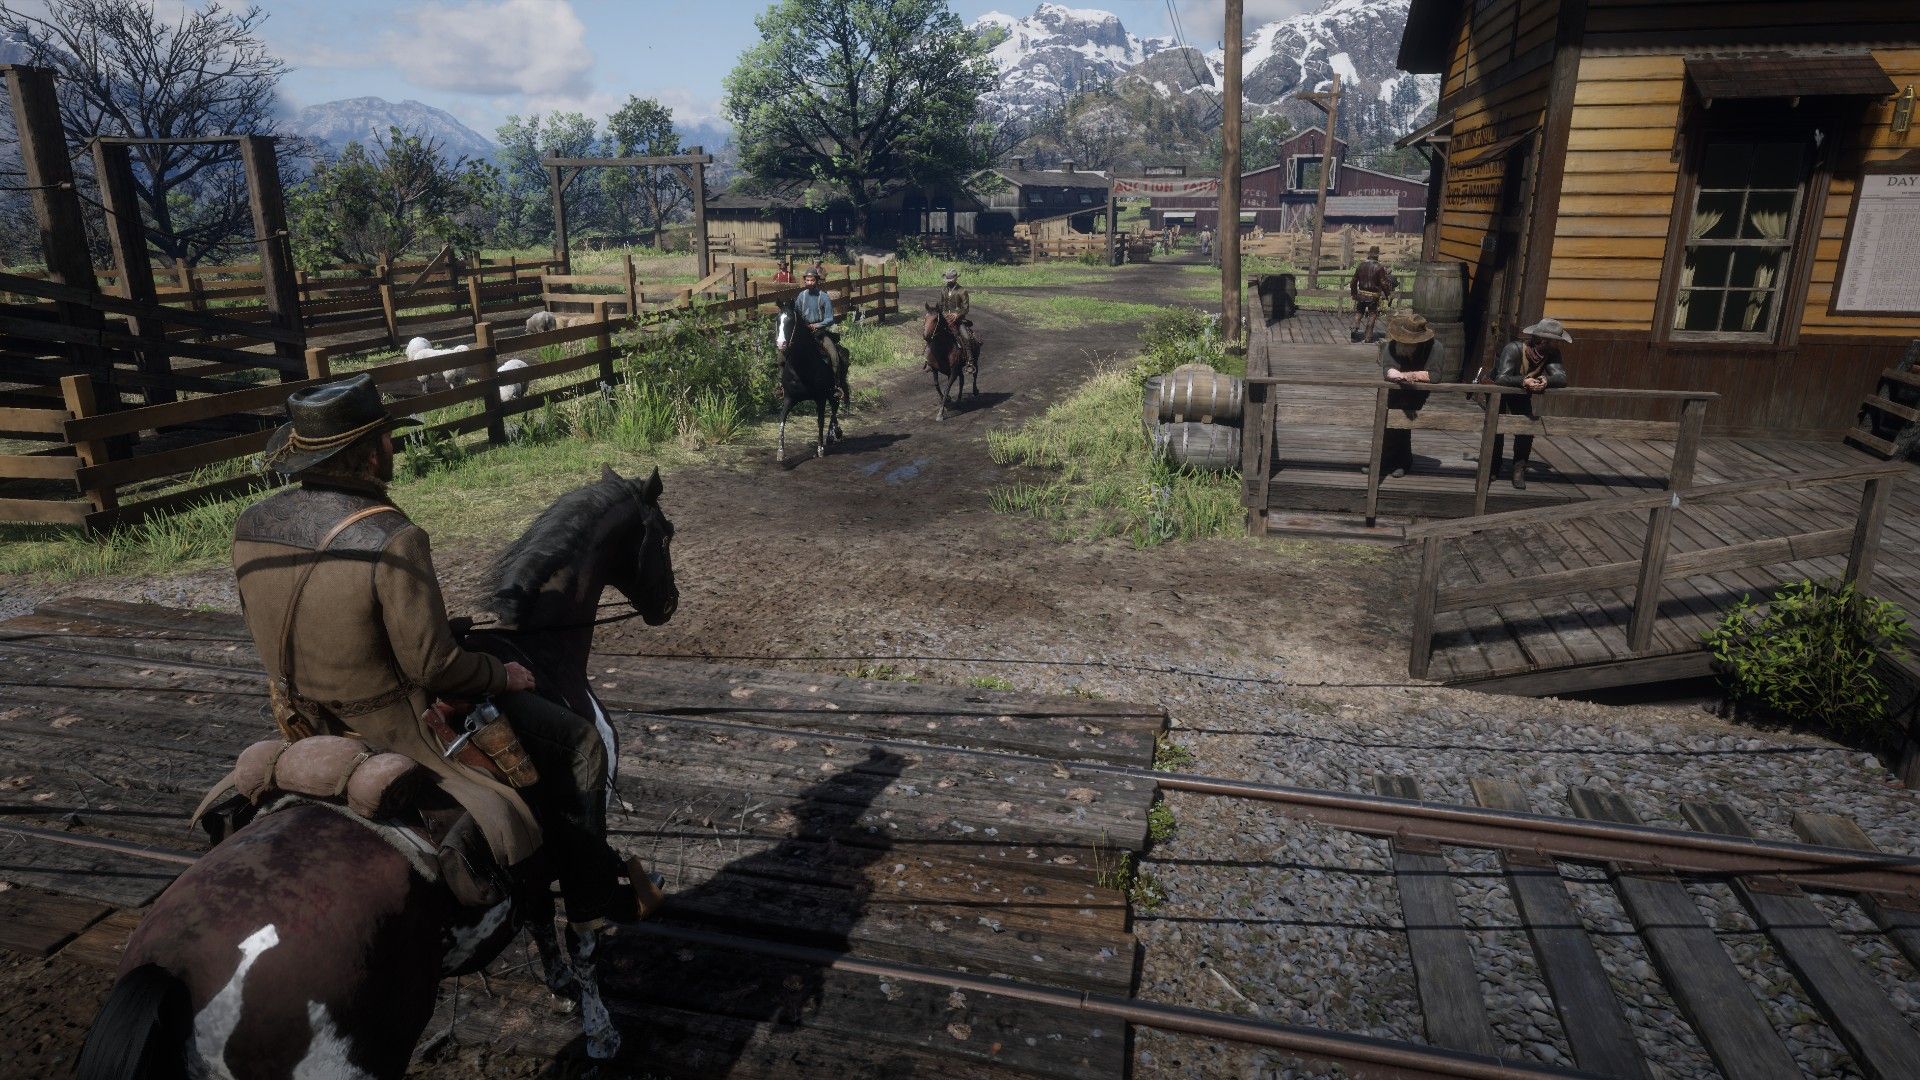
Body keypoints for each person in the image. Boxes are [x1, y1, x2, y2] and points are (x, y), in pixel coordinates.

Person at [230, 374, 662, 939]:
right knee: (581, 744)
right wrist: (501, 674)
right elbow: (434, 668)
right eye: (386, 437)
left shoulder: (252, 524)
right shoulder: (392, 536)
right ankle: (590, 901)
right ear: (369, 452)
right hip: (397, 730)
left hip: (305, 720)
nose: (393, 446)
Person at [1490, 317, 1571, 489]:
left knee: (1526, 430)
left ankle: (1519, 470)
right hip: (1498, 392)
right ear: (1543, 340)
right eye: (1554, 341)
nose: (1557, 344)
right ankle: (1493, 467)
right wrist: (1524, 381)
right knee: (1495, 429)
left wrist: (1546, 380)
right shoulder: (1513, 349)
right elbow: (1501, 379)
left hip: (1522, 392)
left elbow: (1561, 377)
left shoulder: (1552, 354)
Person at [1376, 313, 1446, 479]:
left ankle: (1402, 462)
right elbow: (1388, 370)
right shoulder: (1392, 345)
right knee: (1386, 421)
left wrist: (1407, 376)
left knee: (1403, 421)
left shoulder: (1435, 347)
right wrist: (1399, 376)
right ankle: (1382, 461)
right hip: (1395, 387)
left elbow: (1434, 375)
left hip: (1418, 390)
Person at [794, 264, 846, 371]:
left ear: (817, 281)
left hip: (819, 333)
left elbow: (830, 319)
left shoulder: (824, 297)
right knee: (784, 355)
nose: (810, 283)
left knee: (834, 356)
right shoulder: (801, 296)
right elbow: (796, 314)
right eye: (807, 280)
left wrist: (817, 325)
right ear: (804, 281)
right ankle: (782, 379)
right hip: (803, 332)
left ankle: (835, 378)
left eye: (812, 280)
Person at [1350, 245, 1396, 344]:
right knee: (1372, 315)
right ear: (1377, 255)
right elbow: (1384, 283)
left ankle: (1354, 331)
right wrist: (1388, 295)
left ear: (1369, 255)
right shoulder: (1379, 267)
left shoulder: (1361, 265)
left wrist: (1354, 293)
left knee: (1359, 312)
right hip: (1373, 297)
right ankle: (1368, 337)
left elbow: (1353, 281)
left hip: (1361, 295)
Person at [939, 268, 977, 359]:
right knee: (933, 333)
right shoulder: (943, 290)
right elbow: (941, 305)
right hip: (945, 318)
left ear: (956, 279)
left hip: (958, 320)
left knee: (966, 337)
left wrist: (957, 314)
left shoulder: (962, 291)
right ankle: (929, 359)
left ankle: (970, 360)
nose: (949, 282)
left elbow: (966, 308)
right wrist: (942, 313)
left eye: (951, 280)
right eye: (948, 280)